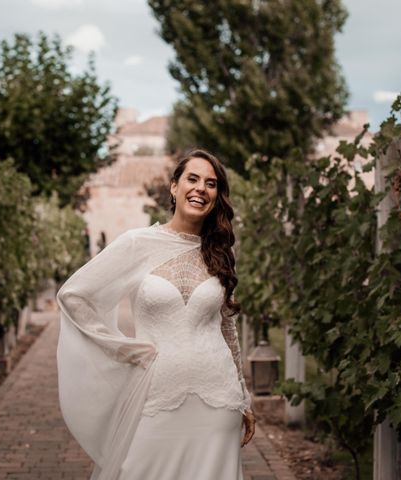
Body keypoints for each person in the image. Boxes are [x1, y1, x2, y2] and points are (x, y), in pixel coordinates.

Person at [57, 148, 256, 480]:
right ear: (174, 187)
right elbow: (73, 296)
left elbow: (226, 328)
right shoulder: (138, 243)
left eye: (211, 184)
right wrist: (121, 347)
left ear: (217, 196)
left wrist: (243, 396)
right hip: (156, 394)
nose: (201, 189)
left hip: (219, 399)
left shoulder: (220, 251)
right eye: (192, 179)